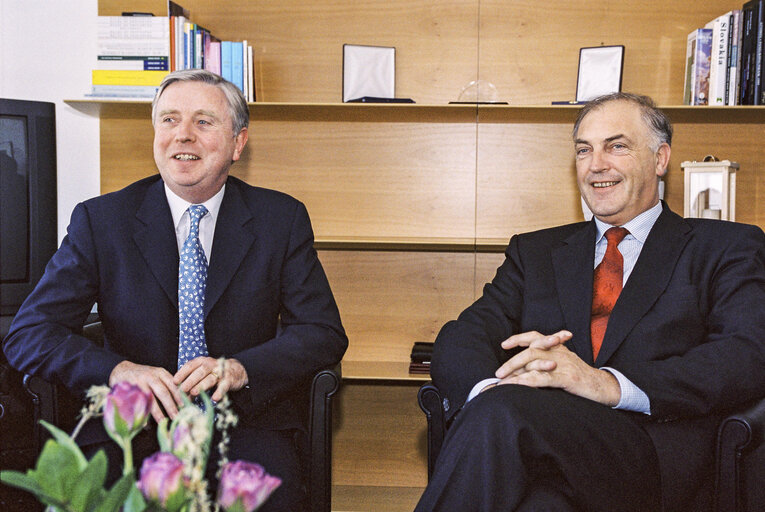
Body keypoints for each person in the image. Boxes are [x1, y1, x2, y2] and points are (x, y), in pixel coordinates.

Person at [3, 69, 347, 511]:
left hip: (245, 422)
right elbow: (29, 332)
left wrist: (241, 369)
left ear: (238, 143)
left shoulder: (280, 219)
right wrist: (118, 372)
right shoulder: (102, 220)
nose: (182, 135)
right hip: (129, 426)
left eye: (203, 122)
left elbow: (322, 332)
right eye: (169, 120)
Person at [414, 92, 765, 512]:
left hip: (650, 454)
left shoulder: (724, 247)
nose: (597, 164)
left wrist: (607, 384)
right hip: (537, 443)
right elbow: (464, 336)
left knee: (503, 418)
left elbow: (746, 355)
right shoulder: (536, 252)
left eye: (616, 146)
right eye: (584, 150)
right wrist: (494, 390)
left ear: (660, 159)